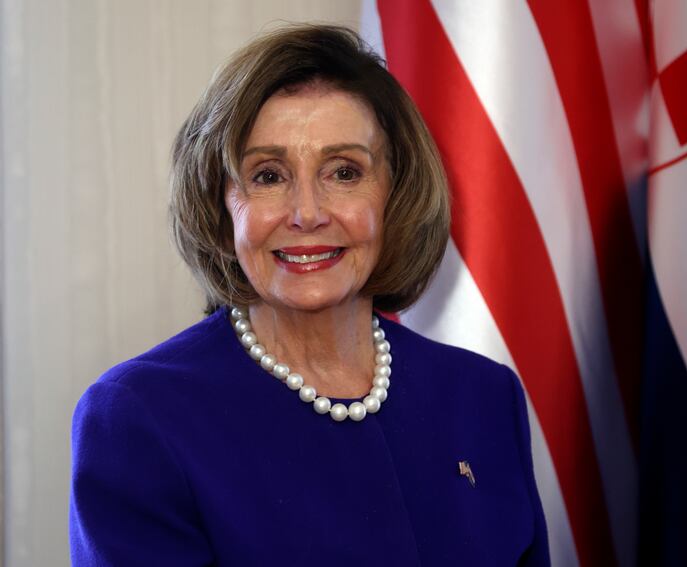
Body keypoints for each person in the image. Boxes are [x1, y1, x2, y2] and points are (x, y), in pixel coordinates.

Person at [69, 24, 549, 566]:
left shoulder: (483, 397)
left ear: (397, 194)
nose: (307, 213)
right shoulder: (140, 419)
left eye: (344, 172)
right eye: (268, 175)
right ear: (220, 202)